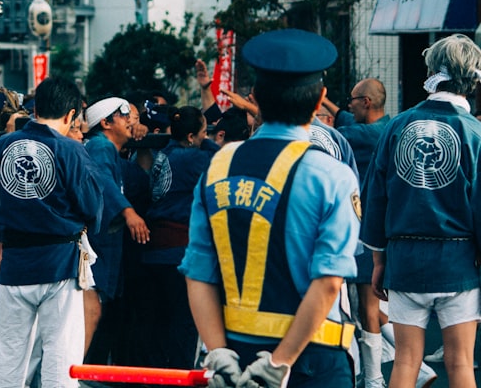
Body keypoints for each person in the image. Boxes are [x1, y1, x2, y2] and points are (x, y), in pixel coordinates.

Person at [180, 29, 361, 388]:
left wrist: (218, 353)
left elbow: (198, 271)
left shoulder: (218, 166)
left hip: (235, 356)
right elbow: (328, 282)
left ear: (256, 99)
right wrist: (279, 364)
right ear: (320, 100)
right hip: (311, 360)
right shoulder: (332, 175)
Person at [362, 35, 481, 388]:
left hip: (404, 260)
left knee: (405, 361)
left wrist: (379, 261)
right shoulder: (474, 132)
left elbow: (375, 198)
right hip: (459, 264)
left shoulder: (397, 126)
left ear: (431, 73)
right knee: (460, 363)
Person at [0, 77, 103, 388]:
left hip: (15, 261)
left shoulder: (3, 145)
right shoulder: (70, 149)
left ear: (35, 109)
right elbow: (91, 206)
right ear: (71, 114)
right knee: (61, 353)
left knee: (7, 353)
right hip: (59, 262)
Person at [323, 78, 393, 388]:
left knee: (366, 308)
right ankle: (407, 369)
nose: (347, 105)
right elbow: (343, 117)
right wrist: (323, 102)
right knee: (368, 308)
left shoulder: (363, 135)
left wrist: (307, 107)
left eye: (352, 99)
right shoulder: (386, 126)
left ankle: (375, 378)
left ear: (365, 102)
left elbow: (329, 131)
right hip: (376, 229)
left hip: (366, 231)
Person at [81, 96, 149, 363]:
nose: (130, 121)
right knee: (91, 312)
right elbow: (103, 180)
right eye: (124, 116)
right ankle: (71, 375)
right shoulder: (100, 145)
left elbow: (138, 178)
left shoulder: (107, 149)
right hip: (97, 245)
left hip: (103, 245)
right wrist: (128, 212)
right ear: (106, 123)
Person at [144, 106, 212, 370]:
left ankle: (156, 379)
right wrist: (206, 143)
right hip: (178, 250)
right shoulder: (195, 158)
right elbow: (221, 157)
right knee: (184, 321)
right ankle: (179, 377)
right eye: (204, 133)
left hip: (153, 250)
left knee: (159, 322)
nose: (207, 137)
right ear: (192, 137)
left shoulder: (164, 152)